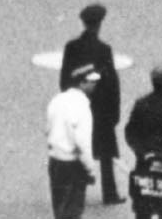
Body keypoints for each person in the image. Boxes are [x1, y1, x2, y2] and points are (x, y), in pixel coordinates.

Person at [58, 4, 123, 206]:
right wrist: (114, 111)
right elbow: (112, 83)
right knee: (105, 155)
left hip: (79, 108)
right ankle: (109, 193)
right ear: (99, 24)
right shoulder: (104, 50)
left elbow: (65, 80)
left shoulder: (72, 48)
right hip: (101, 110)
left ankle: (77, 194)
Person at [124, 65, 162, 210]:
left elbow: (130, 133)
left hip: (144, 164)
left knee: (143, 209)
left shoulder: (141, 104)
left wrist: (142, 152)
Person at [46, 62, 101, 218]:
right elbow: (82, 142)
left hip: (55, 161)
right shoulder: (82, 106)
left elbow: (48, 127)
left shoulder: (57, 100)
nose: (95, 85)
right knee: (72, 211)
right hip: (73, 166)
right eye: (92, 82)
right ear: (82, 83)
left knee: (59, 209)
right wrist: (90, 169)